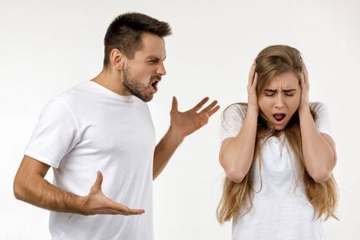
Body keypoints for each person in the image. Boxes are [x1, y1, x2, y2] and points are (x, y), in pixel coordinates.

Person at [13, 12, 220, 240]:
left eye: (163, 60)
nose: (162, 70)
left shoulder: (139, 105)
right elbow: (24, 184)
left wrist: (176, 134)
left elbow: (139, 173)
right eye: (153, 61)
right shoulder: (68, 106)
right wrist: (81, 204)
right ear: (118, 59)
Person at [217, 45, 338, 240]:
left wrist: (304, 107)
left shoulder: (315, 114)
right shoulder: (238, 116)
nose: (280, 103)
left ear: (303, 88)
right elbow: (236, 171)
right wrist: (253, 108)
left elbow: (321, 171)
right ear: (255, 91)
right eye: (269, 93)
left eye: (289, 93)